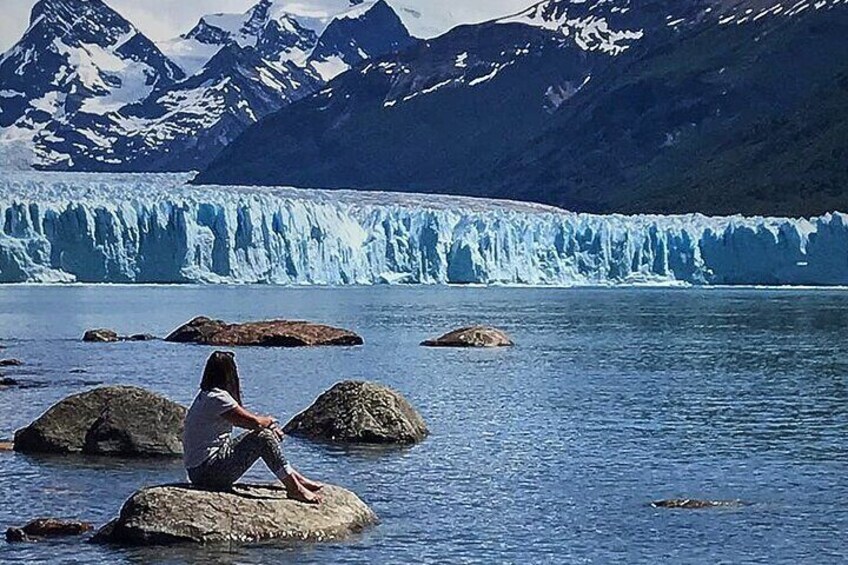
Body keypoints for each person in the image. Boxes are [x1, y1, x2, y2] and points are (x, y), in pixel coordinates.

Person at [183, 351, 323, 503]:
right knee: (263, 438)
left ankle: (295, 478)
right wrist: (271, 422)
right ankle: (294, 488)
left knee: (261, 435)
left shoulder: (206, 395)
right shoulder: (218, 398)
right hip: (208, 473)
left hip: (198, 471)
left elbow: (246, 420)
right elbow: (254, 422)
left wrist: (265, 426)